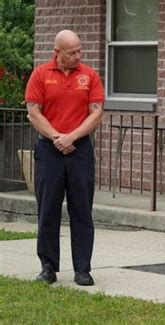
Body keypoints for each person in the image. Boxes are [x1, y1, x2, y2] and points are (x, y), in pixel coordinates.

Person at [25, 30, 104, 286]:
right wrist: (58, 137)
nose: (78, 56)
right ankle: (48, 266)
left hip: (79, 150)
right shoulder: (40, 75)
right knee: (48, 209)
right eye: (72, 52)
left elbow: (96, 113)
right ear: (57, 52)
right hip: (49, 150)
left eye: (79, 50)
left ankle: (83, 268)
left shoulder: (89, 75)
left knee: (82, 209)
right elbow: (33, 112)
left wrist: (72, 137)